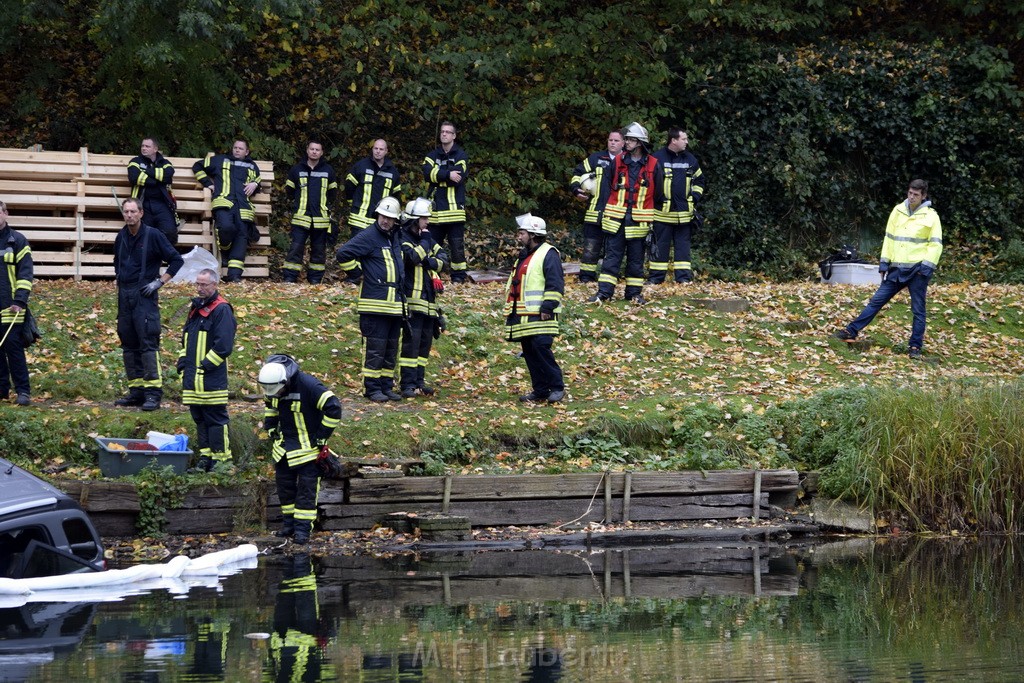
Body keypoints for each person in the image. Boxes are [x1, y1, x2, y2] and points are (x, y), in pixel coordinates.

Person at [833, 179, 943, 359]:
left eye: (916, 194)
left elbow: (936, 245)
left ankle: (915, 348)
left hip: (917, 271)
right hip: (896, 269)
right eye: (910, 193)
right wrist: (884, 263)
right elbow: (890, 238)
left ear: (923, 196)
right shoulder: (897, 211)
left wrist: (926, 268)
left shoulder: (932, 217)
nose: (912, 197)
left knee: (918, 311)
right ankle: (851, 331)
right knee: (876, 302)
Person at [258, 354, 342, 544]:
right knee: (285, 489)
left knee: (306, 493)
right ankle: (288, 526)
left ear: (286, 380)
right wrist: (270, 426)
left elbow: (334, 407)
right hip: (283, 450)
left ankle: (303, 531)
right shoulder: (273, 385)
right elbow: (270, 405)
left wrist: (321, 436)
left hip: (308, 452)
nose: (276, 394)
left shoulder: (309, 386)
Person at [113, 197, 184, 411]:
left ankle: (153, 394)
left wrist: (159, 282)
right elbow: (117, 265)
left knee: (148, 345)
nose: (129, 215)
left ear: (141, 213)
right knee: (128, 344)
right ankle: (136, 392)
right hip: (124, 297)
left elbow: (176, 260)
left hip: (145, 295)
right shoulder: (121, 237)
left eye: (133, 211)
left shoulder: (153, 235)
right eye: (126, 212)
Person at [335, 197, 405, 402]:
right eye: (383, 216)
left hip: (394, 305)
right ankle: (372, 389)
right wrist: (357, 273)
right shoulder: (369, 235)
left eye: (390, 218)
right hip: (374, 305)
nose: (386, 221)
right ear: (378, 215)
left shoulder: (394, 237)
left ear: (396, 220)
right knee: (375, 349)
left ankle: (386, 386)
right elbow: (343, 254)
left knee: (391, 349)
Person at [589, 122, 662, 305]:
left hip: (639, 221)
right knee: (611, 258)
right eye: (627, 139)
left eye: (629, 139)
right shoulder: (617, 161)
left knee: (636, 260)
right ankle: (604, 293)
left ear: (639, 142)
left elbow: (659, 194)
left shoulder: (654, 164)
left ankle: (634, 294)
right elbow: (606, 188)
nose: (626, 142)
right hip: (616, 219)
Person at [178, 268, 237, 473]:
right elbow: (186, 339)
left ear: (215, 285)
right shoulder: (196, 308)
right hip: (193, 380)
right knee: (200, 419)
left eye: (204, 284)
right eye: (198, 284)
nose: (200, 288)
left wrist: (204, 366)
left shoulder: (222, 309)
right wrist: (183, 362)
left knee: (216, 420)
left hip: (210, 379)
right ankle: (206, 458)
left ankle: (221, 461)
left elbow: (223, 346)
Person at [505, 214, 565, 403]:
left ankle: (557, 387)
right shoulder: (525, 256)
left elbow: (555, 283)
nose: (519, 236)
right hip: (524, 316)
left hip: (541, 315)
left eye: (522, 232)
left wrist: (548, 306)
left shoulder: (548, 253)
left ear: (532, 234)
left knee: (541, 350)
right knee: (530, 352)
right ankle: (540, 390)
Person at [192, 139, 262, 282]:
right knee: (225, 228)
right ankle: (225, 249)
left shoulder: (251, 165)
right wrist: (208, 183)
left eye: (240, 148)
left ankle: (234, 276)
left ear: (247, 152)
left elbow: (257, 180)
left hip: (243, 208)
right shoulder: (219, 160)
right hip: (224, 203)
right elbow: (197, 166)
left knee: (241, 238)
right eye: (235, 147)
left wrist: (255, 184)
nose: (237, 150)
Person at [398, 197, 447, 398]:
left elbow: (444, 258)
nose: (427, 223)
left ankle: (418, 382)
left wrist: (430, 263)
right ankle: (407, 384)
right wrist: (425, 246)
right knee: (411, 344)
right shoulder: (402, 238)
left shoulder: (426, 238)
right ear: (414, 219)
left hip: (429, 304)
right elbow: (411, 258)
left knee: (424, 345)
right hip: (412, 303)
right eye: (424, 219)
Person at [650, 127, 705, 284]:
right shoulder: (656, 158)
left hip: (684, 215)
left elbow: (700, 180)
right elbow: (648, 182)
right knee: (660, 247)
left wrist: (694, 197)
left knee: (683, 250)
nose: (687, 142)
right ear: (673, 140)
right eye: (684, 139)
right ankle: (655, 279)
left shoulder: (690, 159)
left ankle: (683, 279)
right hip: (662, 214)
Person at [570, 130, 623, 283]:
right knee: (590, 248)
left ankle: (609, 278)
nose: (612, 143)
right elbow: (578, 172)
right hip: (594, 213)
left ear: (623, 143)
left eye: (616, 140)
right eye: (610, 140)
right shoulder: (596, 158)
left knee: (612, 250)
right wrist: (575, 189)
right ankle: (586, 278)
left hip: (616, 214)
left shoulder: (627, 161)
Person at [282, 139, 338, 284]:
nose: (314, 152)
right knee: (295, 249)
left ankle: (315, 279)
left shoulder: (328, 171)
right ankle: (290, 277)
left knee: (319, 251)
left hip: (321, 219)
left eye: (317, 150)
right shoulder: (296, 170)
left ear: (321, 152)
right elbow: (289, 191)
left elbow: (332, 193)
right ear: (307, 150)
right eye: (312, 149)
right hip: (301, 217)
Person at [422, 121, 469, 283]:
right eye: (442, 132)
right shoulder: (431, 155)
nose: (444, 134)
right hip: (435, 212)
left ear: (454, 136)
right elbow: (427, 174)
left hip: (454, 211)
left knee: (457, 248)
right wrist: (448, 175)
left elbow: (459, 177)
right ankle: (433, 274)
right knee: (433, 246)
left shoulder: (461, 155)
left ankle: (458, 277)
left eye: (448, 132)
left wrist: (439, 175)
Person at [0, 200, 33, 407]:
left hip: (11, 307)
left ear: (5, 214)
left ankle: (23, 391)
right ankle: (2, 389)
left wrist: (20, 300)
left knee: (14, 350)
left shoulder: (17, 241)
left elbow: (25, 273)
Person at [127, 136, 179, 245]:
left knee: (170, 232)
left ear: (155, 149)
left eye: (147, 146)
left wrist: (146, 170)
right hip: (142, 204)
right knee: (143, 234)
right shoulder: (135, 161)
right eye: (142, 146)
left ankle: (167, 259)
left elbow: (168, 175)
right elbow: (134, 177)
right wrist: (157, 180)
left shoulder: (165, 163)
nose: (144, 148)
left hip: (163, 204)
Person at [344, 139, 401, 238]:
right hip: (359, 220)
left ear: (386, 151)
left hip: (380, 222)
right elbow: (349, 185)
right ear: (372, 149)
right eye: (376, 148)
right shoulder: (361, 166)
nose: (378, 151)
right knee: (356, 251)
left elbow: (395, 197)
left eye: (381, 149)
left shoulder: (393, 172)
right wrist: (353, 202)